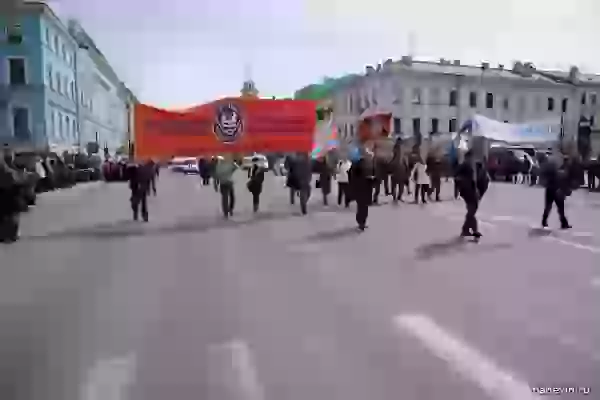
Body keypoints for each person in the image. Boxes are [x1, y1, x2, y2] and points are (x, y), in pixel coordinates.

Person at [455, 151, 482, 238]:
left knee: (472, 210)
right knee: (472, 210)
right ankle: (470, 230)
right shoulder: (465, 165)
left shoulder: (470, 165)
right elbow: (456, 177)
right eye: (471, 157)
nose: (472, 159)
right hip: (467, 191)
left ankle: (468, 230)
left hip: (470, 190)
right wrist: (461, 187)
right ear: (468, 157)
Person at [540, 155, 571, 229]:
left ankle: (563, 223)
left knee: (557, 207)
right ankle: (545, 221)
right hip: (554, 189)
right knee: (553, 207)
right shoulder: (558, 168)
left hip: (554, 189)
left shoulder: (562, 168)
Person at [349, 154, 375, 231]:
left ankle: (362, 222)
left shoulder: (367, 167)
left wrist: (371, 179)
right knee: (362, 207)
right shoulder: (357, 167)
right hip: (361, 189)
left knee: (363, 207)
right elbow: (353, 178)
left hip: (365, 189)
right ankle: (361, 223)